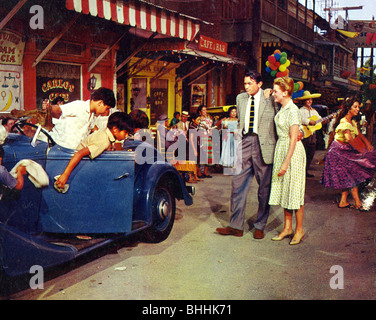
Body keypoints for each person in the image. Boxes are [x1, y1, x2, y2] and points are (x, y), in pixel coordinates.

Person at [216, 70, 279, 239]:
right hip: (244, 142)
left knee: (264, 189)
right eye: (244, 84)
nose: (246, 87)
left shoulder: (270, 98)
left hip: (263, 144)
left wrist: (273, 92)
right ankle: (235, 226)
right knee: (237, 185)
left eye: (250, 83)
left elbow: (281, 113)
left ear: (259, 84)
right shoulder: (240, 99)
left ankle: (260, 225)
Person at [268, 77, 306, 245]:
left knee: (295, 190)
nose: (273, 93)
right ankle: (287, 228)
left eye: (275, 91)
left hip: (293, 153)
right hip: (281, 148)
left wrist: (285, 162)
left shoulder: (293, 110)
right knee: (285, 189)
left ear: (285, 92)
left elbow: (293, 139)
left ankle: (299, 229)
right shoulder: (282, 108)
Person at [320, 96, 376, 212]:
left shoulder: (352, 121)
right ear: (348, 108)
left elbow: (359, 134)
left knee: (349, 176)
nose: (357, 109)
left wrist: (367, 144)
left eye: (358, 107)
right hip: (337, 152)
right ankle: (357, 203)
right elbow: (349, 138)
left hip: (344, 150)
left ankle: (343, 201)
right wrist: (362, 151)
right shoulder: (344, 122)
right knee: (351, 175)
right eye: (355, 107)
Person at [55, 112, 133, 190]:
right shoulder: (103, 141)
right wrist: (65, 175)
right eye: (125, 132)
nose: (126, 136)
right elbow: (79, 153)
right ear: (115, 129)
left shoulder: (105, 134)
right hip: (78, 168)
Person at [48, 87, 116, 150]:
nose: (106, 111)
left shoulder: (91, 115)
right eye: (107, 108)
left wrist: (107, 141)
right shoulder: (79, 106)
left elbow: (94, 129)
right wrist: (48, 107)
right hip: (59, 147)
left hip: (72, 150)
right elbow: (59, 109)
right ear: (100, 103)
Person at [296, 90, 322, 177]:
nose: (309, 101)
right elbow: (299, 119)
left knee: (310, 154)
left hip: (312, 135)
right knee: (302, 153)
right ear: (304, 101)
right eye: (308, 100)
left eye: (311, 99)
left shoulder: (314, 111)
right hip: (304, 135)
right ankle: (299, 172)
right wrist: (308, 121)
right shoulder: (301, 110)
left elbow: (319, 119)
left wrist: (326, 119)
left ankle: (305, 171)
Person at [196, 105, 213, 178]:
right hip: (201, 137)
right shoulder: (198, 119)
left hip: (207, 137)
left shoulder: (208, 119)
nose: (205, 111)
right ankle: (199, 172)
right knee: (201, 154)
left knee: (208, 155)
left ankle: (205, 172)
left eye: (205, 110)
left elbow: (210, 128)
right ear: (200, 111)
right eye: (203, 110)